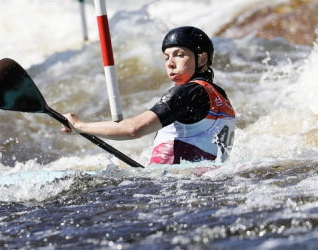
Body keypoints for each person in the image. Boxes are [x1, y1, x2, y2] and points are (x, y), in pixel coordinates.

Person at [62, 26, 236, 165]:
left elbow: (133, 129)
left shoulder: (186, 93)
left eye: (179, 55)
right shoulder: (221, 96)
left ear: (203, 59)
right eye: (166, 58)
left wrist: (79, 125)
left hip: (173, 187)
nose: (170, 64)